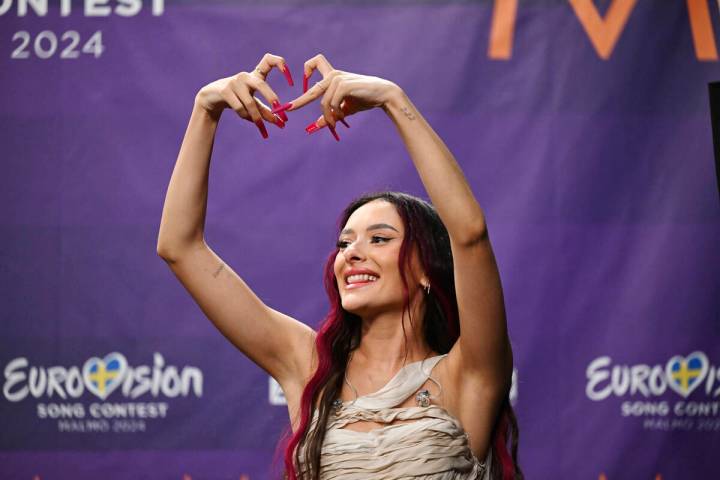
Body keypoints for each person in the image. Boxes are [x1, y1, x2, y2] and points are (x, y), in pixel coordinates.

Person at [157, 53, 522, 480]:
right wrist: (206, 107)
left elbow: (470, 235)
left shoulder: (468, 373)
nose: (352, 253)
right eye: (345, 242)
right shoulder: (310, 368)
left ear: (427, 269)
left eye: (380, 239)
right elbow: (179, 247)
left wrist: (392, 99)